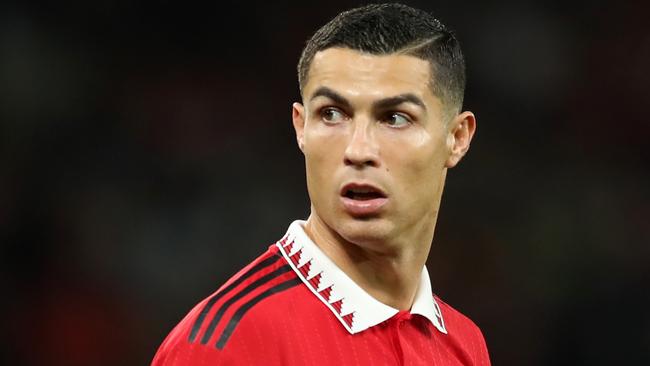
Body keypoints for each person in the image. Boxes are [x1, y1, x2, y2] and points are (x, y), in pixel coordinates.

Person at [152, 3, 490, 365]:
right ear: (301, 128)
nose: (359, 150)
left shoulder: (464, 343)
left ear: (457, 138)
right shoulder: (226, 346)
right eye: (332, 114)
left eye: (394, 118)